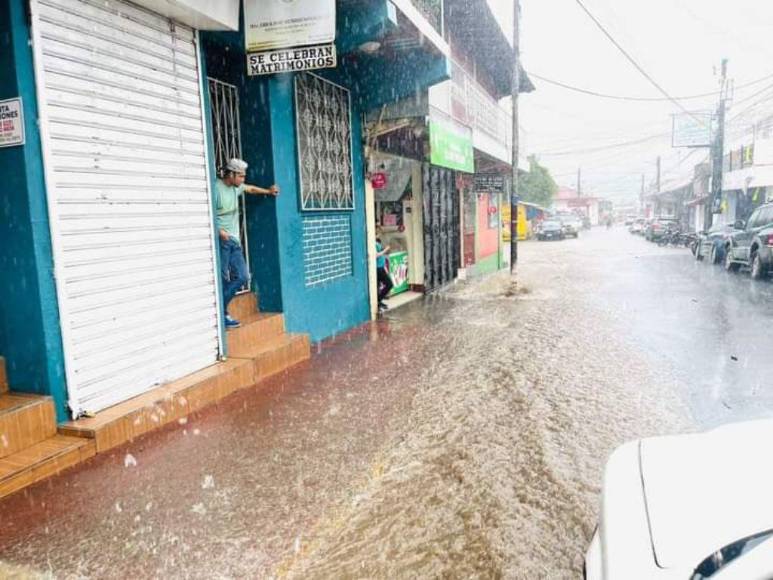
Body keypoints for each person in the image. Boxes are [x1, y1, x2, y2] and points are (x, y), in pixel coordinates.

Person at [215, 158, 279, 329]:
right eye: (241, 176)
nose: (243, 180)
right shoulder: (216, 188)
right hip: (222, 241)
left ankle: (219, 309)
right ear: (231, 174)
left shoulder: (236, 188)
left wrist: (268, 191)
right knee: (221, 278)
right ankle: (222, 314)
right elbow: (207, 211)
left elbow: (250, 188)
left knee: (243, 276)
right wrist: (219, 231)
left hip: (234, 241)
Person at [375, 233, 392, 312]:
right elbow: (376, 255)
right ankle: (378, 300)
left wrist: (385, 267)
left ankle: (378, 301)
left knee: (378, 286)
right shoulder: (373, 243)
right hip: (378, 268)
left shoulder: (377, 242)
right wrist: (385, 250)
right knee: (389, 284)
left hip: (381, 267)